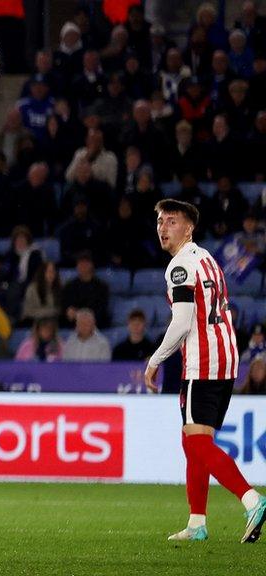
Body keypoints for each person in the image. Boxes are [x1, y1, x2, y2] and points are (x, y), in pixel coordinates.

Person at [143, 199, 265, 543]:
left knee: (197, 444)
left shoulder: (179, 266)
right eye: (160, 222)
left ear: (189, 228)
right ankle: (197, 522)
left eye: (171, 221)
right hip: (226, 357)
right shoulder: (208, 258)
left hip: (203, 360)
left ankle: (252, 499)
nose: (163, 228)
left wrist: (154, 360)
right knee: (192, 439)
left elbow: (182, 322)